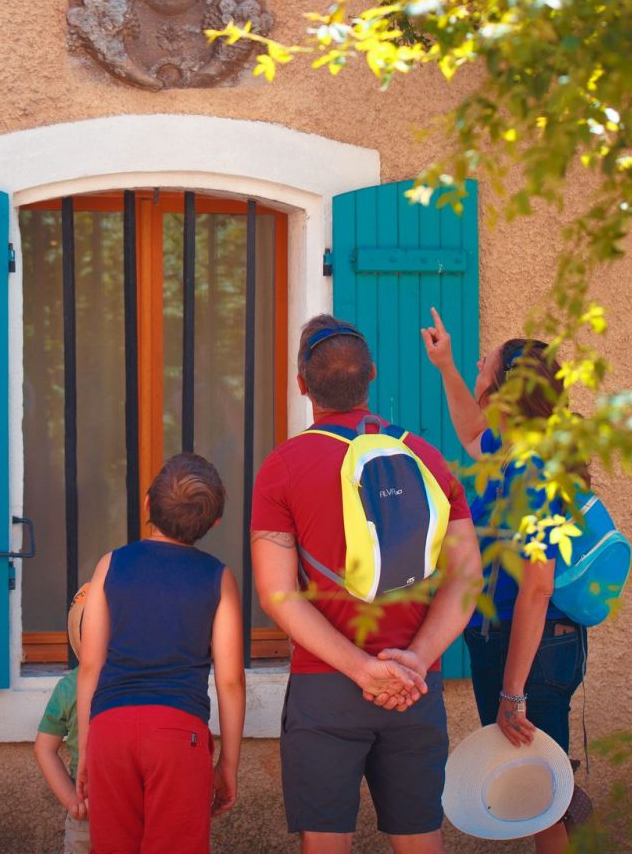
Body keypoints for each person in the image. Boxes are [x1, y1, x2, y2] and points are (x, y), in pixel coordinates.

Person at [251, 314, 482, 854]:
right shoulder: (425, 458)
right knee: (421, 841)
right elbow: (467, 575)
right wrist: (414, 662)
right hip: (413, 687)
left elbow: (276, 593)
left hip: (327, 685)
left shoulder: (282, 467)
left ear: (303, 384)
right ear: (372, 375)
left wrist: (362, 670)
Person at [421, 307, 589, 854]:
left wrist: (513, 692)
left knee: (540, 801)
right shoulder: (513, 451)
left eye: (483, 363)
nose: (478, 362)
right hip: (511, 646)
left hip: (534, 656)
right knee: (532, 790)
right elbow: (472, 430)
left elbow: (538, 587)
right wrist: (445, 366)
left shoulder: (540, 468)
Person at [75, 453, 246, 854]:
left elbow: (90, 665)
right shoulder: (218, 578)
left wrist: (86, 747)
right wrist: (228, 765)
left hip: (109, 729)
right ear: (214, 523)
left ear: (148, 504)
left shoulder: (110, 565)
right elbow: (230, 681)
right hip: (176, 734)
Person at [35, 583, 92, 854]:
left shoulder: (69, 686)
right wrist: (72, 800)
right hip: (101, 811)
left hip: (92, 810)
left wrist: (73, 801)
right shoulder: (69, 688)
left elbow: (44, 748)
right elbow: (44, 748)